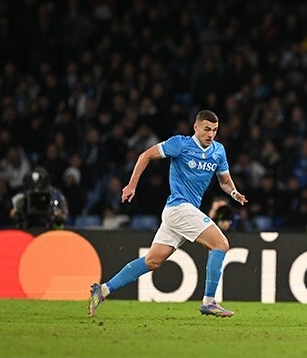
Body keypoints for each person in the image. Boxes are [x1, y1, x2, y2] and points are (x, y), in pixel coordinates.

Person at [89, 110, 247, 317]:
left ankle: (102, 290)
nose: (211, 134)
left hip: (181, 212)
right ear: (196, 127)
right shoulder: (180, 144)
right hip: (180, 208)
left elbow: (225, 182)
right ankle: (209, 301)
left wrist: (234, 193)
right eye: (207, 129)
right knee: (221, 244)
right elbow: (145, 155)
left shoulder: (218, 151)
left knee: (153, 261)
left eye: (215, 130)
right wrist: (131, 185)